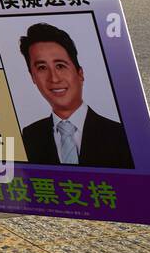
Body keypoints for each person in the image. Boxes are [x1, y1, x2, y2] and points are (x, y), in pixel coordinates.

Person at [18, 23, 134, 169]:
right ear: (33, 77)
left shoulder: (120, 135)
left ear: (80, 73)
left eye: (60, 66)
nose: (54, 78)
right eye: (42, 68)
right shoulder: (29, 136)